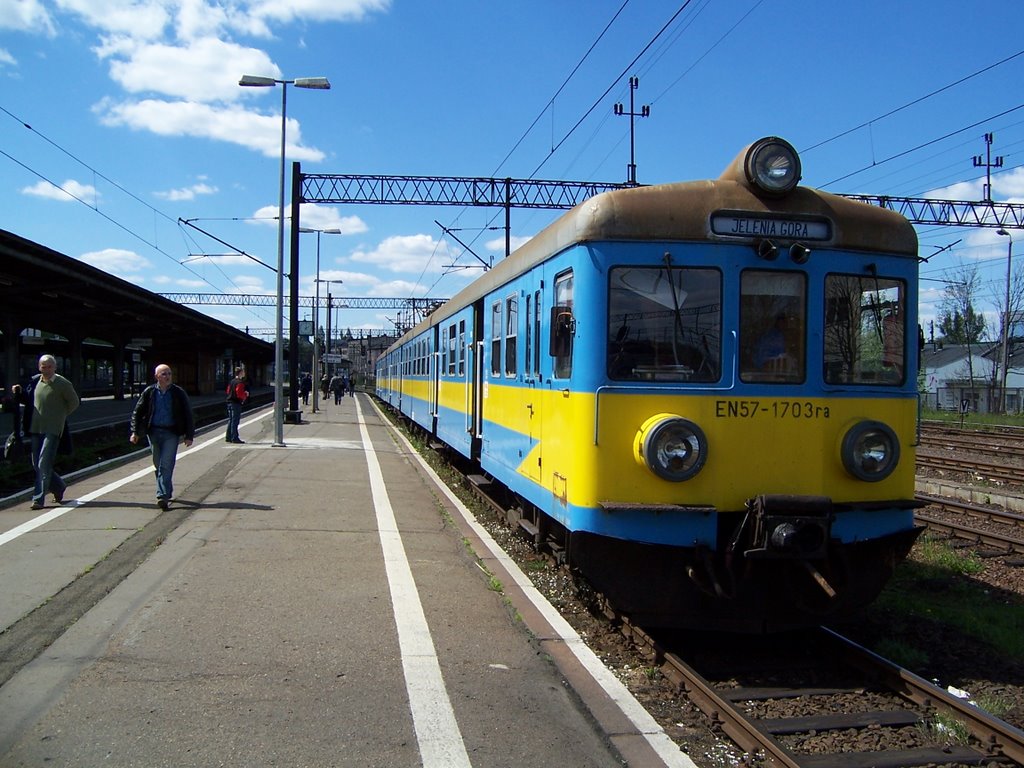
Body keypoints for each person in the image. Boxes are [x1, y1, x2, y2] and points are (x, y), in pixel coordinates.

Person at [10, 354, 80, 510]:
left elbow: (74, 402)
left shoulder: (62, 383)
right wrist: (19, 392)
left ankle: (38, 499)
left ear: (55, 367)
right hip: (35, 428)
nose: (46, 369)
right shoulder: (35, 382)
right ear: (39, 367)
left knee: (43, 462)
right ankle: (59, 487)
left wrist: (60, 415)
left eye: (49, 366)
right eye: (43, 366)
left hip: (53, 429)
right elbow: (28, 400)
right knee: (37, 464)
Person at [130, 364, 194, 510]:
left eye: (169, 374)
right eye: (164, 374)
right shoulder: (149, 392)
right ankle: (167, 489)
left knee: (166, 464)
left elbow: (187, 414)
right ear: (157, 376)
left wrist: (189, 435)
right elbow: (137, 412)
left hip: (171, 433)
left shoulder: (178, 393)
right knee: (158, 464)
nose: (168, 376)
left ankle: (162, 496)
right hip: (153, 433)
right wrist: (134, 432)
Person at [225, 366, 249, 443]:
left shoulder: (232, 381)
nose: (244, 373)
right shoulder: (240, 383)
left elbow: (228, 391)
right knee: (235, 421)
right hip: (236, 403)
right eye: (243, 372)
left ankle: (228, 437)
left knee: (231, 420)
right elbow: (239, 394)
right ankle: (234, 438)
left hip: (229, 402)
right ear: (241, 373)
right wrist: (245, 394)